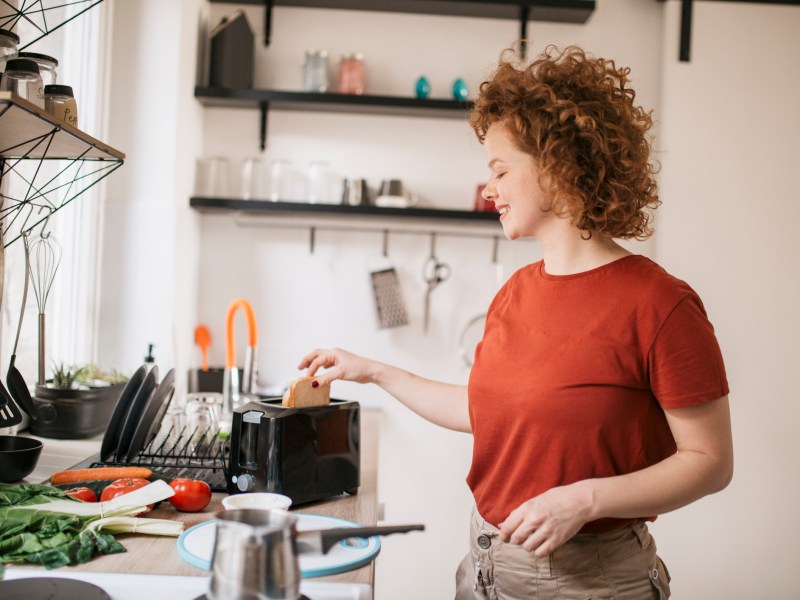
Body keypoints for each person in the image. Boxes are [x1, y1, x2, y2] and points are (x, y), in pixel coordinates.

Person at [299, 44, 732, 599]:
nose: (489, 188)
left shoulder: (660, 305)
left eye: (501, 170)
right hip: (485, 566)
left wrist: (587, 499)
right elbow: (488, 412)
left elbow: (710, 461)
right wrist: (374, 371)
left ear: (559, 167)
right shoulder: (516, 293)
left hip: (590, 582)